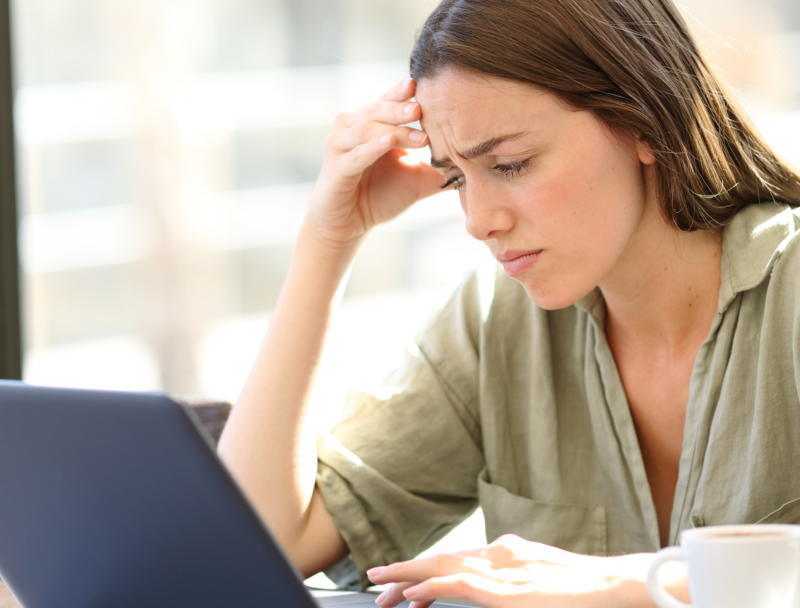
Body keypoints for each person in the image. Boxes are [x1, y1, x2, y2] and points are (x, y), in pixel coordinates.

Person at [216, 0, 800, 606]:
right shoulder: (496, 322)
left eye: (511, 164)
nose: (477, 221)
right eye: (457, 178)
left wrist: (626, 584)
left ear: (644, 122)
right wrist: (328, 240)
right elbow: (257, 545)